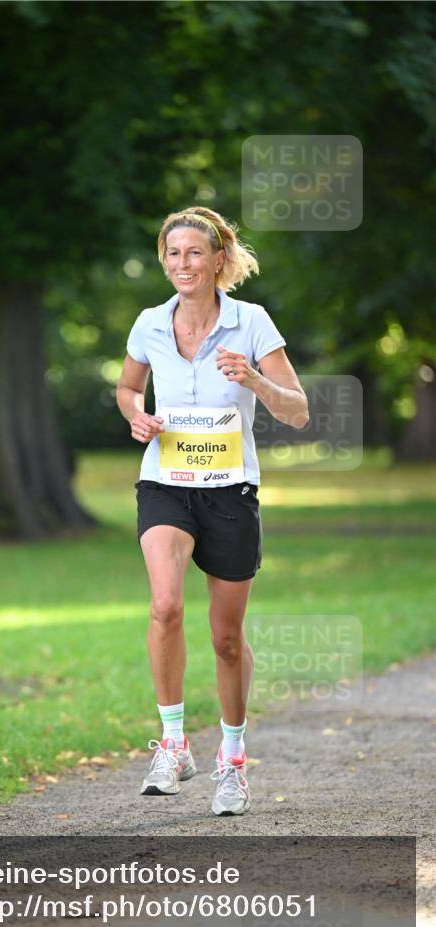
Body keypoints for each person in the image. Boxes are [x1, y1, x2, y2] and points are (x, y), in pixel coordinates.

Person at [116, 207, 309, 816]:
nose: (182, 265)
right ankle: (172, 744)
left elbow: (298, 410)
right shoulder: (149, 324)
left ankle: (232, 761)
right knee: (165, 604)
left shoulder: (251, 323)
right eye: (172, 255)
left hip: (230, 492)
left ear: (218, 259)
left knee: (227, 640)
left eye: (194, 254)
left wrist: (252, 379)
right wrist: (135, 415)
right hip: (166, 484)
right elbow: (126, 387)